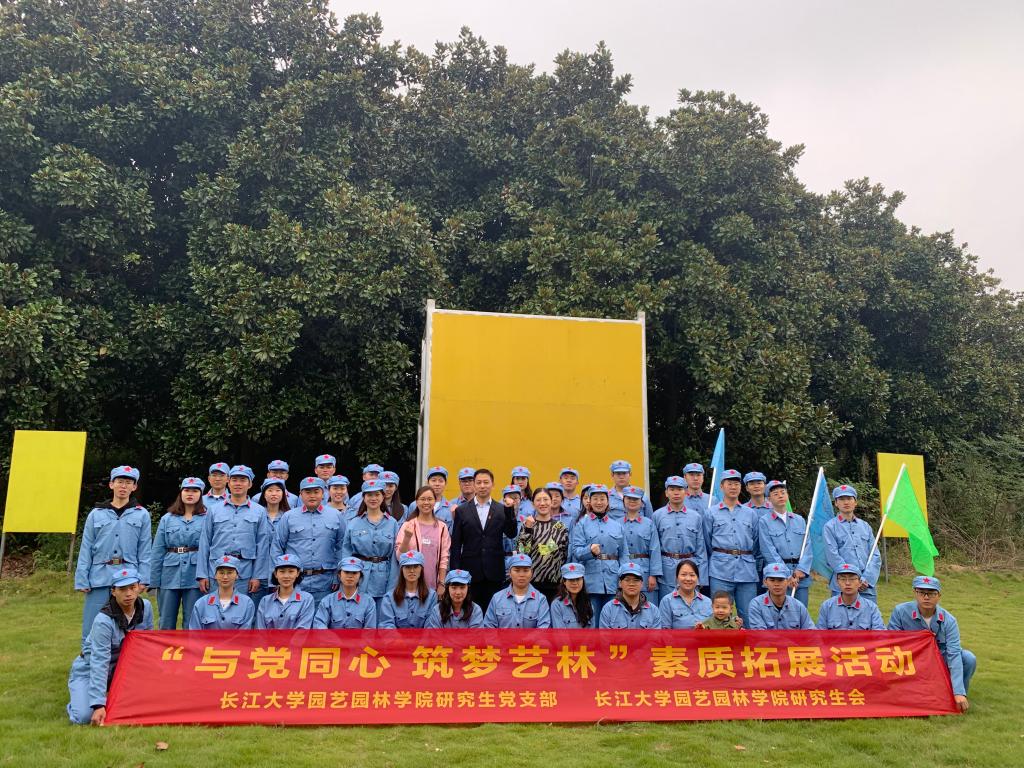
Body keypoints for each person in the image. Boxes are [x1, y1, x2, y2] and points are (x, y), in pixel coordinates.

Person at [74, 465, 152, 646]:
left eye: (128, 483)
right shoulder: (96, 514)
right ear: (111, 484)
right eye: (120, 482)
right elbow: (86, 547)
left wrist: (144, 578)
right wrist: (82, 578)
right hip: (99, 576)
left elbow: (145, 549)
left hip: (128, 575)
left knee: (128, 625)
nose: (123, 486)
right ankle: (89, 660)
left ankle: (127, 661)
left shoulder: (142, 514)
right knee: (93, 624)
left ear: (134, 487)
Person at [67, 567, 153, 725]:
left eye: (132, 587)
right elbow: (99, 662)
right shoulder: (103, 621)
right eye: (122, 589)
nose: (128, 594)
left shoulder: (146, 607)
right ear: (113, 592)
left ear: (139, 588)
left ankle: (110, 692)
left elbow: (146, 645)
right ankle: (82, 697)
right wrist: (98, 705)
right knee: (84, 717)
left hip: (123, 669)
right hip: (90, 669)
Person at [888, 575, 975, 712]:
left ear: (939, 596)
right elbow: (892, 643)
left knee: (968, 658)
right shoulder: (900, 612)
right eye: (921, 592)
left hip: (939, 659)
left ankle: (957, 698)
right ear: (915, 593)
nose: (926, 597)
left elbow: (954, 654)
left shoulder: (949, 620)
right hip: (911, 659)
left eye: (931, 593)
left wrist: (959, 692)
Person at [196, 465, 271, 599]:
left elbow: (262, 545)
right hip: (216, 570)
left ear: (250, 484)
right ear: (228, 482)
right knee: (215, 607)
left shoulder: (259, 511)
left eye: (243, 480)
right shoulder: (214, 510)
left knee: (243, 608)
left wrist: (257, 576)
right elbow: (205, 541)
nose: (238, 483)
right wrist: (202, 574)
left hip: (245, 572)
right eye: (234, 480)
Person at [450, 468, 518, 610]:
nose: (482, 486)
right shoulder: (462, 511)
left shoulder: (501, 509)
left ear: (493, 485)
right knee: (470, 612)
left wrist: (510, 511)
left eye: (486, 482)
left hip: (494, 571)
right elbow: (456, 545)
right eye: (479, 482)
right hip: (469, 572)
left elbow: (511, 533)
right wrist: (455, 573)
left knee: (494, 612)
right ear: (474, 485)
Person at [272, 477, 346, 605]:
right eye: (307, 492)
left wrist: (338, 576)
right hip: (295, 582)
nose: (312, 496)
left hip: (326, 581)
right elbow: (277, 547)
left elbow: (342, 547)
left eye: (316, 492)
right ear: (300, 494)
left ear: (323, 493)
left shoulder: (336, 516)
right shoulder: (289, 516)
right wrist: (276, 579)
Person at [150, 477, 206, 629]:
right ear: (181, 493)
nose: (190, 494)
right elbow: (158, 550)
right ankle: (166, 645)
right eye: (186, 490)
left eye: (195, 491)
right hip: (170, 573)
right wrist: (154, 581)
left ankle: (191, 645)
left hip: (195, 574)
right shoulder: (167, 519)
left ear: (201, 495)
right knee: (166, 620)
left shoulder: (207, 518)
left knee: (193, 620)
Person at [705, 468, 759, 624]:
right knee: (719, 614)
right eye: (729, 484)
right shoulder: (711, 513)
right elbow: (707, 543)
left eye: (736, 484)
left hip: (746, 570)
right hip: (720, 570)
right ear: (721, 486)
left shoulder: (750, 514)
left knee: (748, 614)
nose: (733, 487)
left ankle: (747, 640)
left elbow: (756, 543)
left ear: (741, 487)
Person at [570, 483, 629, 617]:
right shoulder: (582, 524)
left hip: (613, 580)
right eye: (595, 499)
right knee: (592, 619)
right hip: (591, 580)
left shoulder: (617, 526)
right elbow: (576, 552)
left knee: (613, 618)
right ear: (589, 502)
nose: (599, 502)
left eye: (602, 499)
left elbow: (624, 554)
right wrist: (589, 551)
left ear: (608, 501)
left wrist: (624, 577)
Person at [341, 478, 399, 606]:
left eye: (377, 494)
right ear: (363, 497)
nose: (373, 498)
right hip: (359, 577)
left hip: (383, 579)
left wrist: (393, 584)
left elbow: (394, 556)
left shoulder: (392, 523)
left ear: (383, 496)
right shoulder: (354, 523)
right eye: (369, 495)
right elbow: (346, 552)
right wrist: (346, 579)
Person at [653, 475, 708, 602]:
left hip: (690, 568)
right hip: (666, 571)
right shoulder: (657, 516)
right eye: (672, 489)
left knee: (691, 606)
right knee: (667, 605)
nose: (676, 493)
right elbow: (654, 548)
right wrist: (655, 574)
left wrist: (701, 578)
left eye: (679, 489)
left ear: (686, 492)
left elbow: (701, 549)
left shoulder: (696, 517)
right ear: (666, 493)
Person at [758, 480, 813, 606]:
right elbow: (768, 550)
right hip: (777, 575)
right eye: (775, 494)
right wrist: (786, 575)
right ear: (768, 499)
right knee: (779, 610)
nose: (780, 496)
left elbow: (808, 546)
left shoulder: (799, 520)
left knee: (801, 609)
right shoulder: (764, 521)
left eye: (783, 492)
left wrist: (801, 570)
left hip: (800, 575)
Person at [822, 484, 881, 600]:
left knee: (869, 612)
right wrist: (852, 579)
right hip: (843, 585)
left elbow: (875, 555)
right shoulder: (830, 527)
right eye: (841, 499)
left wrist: (866, 578)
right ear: (836, 503)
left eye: (849, 498)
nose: (846, 502)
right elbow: (832, 556)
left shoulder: (865, 526)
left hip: (866, 585)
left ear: (855, 502)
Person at [515, 487, 570, 600]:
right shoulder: (527, 525)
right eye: (538, 500)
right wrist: (528, 529)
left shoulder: (560, 527)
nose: (542, 503)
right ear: (533, 504)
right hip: (532, 583)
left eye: (545, 499)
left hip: (555, 584)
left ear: (551, 501)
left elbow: (564, 555)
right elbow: (522, 553)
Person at [396, 485, 451, 590]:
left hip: (433, 585)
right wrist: (407, 537)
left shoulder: (442, 527)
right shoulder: (408, 525)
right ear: (416, 502)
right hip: (410, 585)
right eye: (422, 499)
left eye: (430, 499)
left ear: (435, 501)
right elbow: (399, 556)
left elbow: (444, 558)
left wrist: (441, 583)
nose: (426, 502)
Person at [482, 553, 551, 628]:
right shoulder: (497, 598)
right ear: (510, 573)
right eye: (517, 570)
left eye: (526, 570)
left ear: (532, 573)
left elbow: (543, 629)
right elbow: (489, 628)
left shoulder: (541, 600)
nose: (521, 575)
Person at [188, 555, 256, 629]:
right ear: (215, 575)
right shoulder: (201, 603)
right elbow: (195, 632)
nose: (225, 577)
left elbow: (245, 633)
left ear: (237, 575)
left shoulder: (247, 603)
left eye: (230, 573)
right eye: (221, 573)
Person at [620, 485, 663, 599]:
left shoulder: (649, 524)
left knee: (648, 606)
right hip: (624, 571)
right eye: (629, 498)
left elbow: (655, 549)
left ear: (642, 503)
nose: (632, 501)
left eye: (636, 499)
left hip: (645, 572)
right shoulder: (616, 524)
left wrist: (653, 575)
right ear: (623, 501)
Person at [379, 550, 438, 628]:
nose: (412, 571)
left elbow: (431, 625)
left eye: (416, 566)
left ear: (421, 569)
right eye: (407, 567)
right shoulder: (389, 597)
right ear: (401, 570)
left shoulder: (431, 596)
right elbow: (386, 625)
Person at [313, 557, 377, 629]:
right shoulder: (328, 601)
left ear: (360, 576)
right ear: (339, 575)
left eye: (354, 573)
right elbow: (319, 624)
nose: (350, 576)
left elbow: (370, 630)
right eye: (346, 572)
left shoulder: (368, 602)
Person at [746, 563, 814, 630]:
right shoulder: (756, 605)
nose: (776, 584)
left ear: (788, 581)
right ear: (765, 582)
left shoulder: (798, 606)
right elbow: (760, 634)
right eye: (772, 580)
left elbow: (811, 632)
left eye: (780, 580)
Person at [816, 563, 884, 630]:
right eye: (843, 579)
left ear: (860, 582)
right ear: (837, 582)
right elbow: (819, 634)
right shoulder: (827, 607)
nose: (847, 583)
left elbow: (880, 634)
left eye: (852, 579)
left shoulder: (871, 608)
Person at [255, 554, 315, 629]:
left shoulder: (306, 599)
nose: (286, 576)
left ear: (297, 573)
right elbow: (260, 630)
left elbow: (302, 630)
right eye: (282, 571)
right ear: (275, 574)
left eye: (291, 571)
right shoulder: (265, 601)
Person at [599, 562, 662, 628]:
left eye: (636, 580)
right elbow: (604, 634)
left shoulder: (653, 611)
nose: (631, 584)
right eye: (627, 580)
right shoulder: (609, 609)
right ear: (620, 583)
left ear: (642, 584)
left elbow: (656, 634)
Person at [659, 560, 713, 629]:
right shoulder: (667, 601)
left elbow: (713, 628)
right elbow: (665, 631)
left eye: (692, 575)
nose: (688, 579)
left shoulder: (708, 602)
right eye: (683, 575)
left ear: (697, 578)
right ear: (677, 577)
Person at [404, 466, 455, 531]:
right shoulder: (414, 505)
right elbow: (408, 528)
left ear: (446, 483)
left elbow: (451, 533)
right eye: (433, 480)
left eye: (441, 481)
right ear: (427, 483)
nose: (437, 484)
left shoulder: (450, 508)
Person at [549, 562, 595, 628]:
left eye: (578, 579)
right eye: (571, 580)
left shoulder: (588, 604)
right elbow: (559, 632)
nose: (575, 583)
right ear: (564, 582)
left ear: (583, 580)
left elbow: (592, 631)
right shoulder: (557, 605)